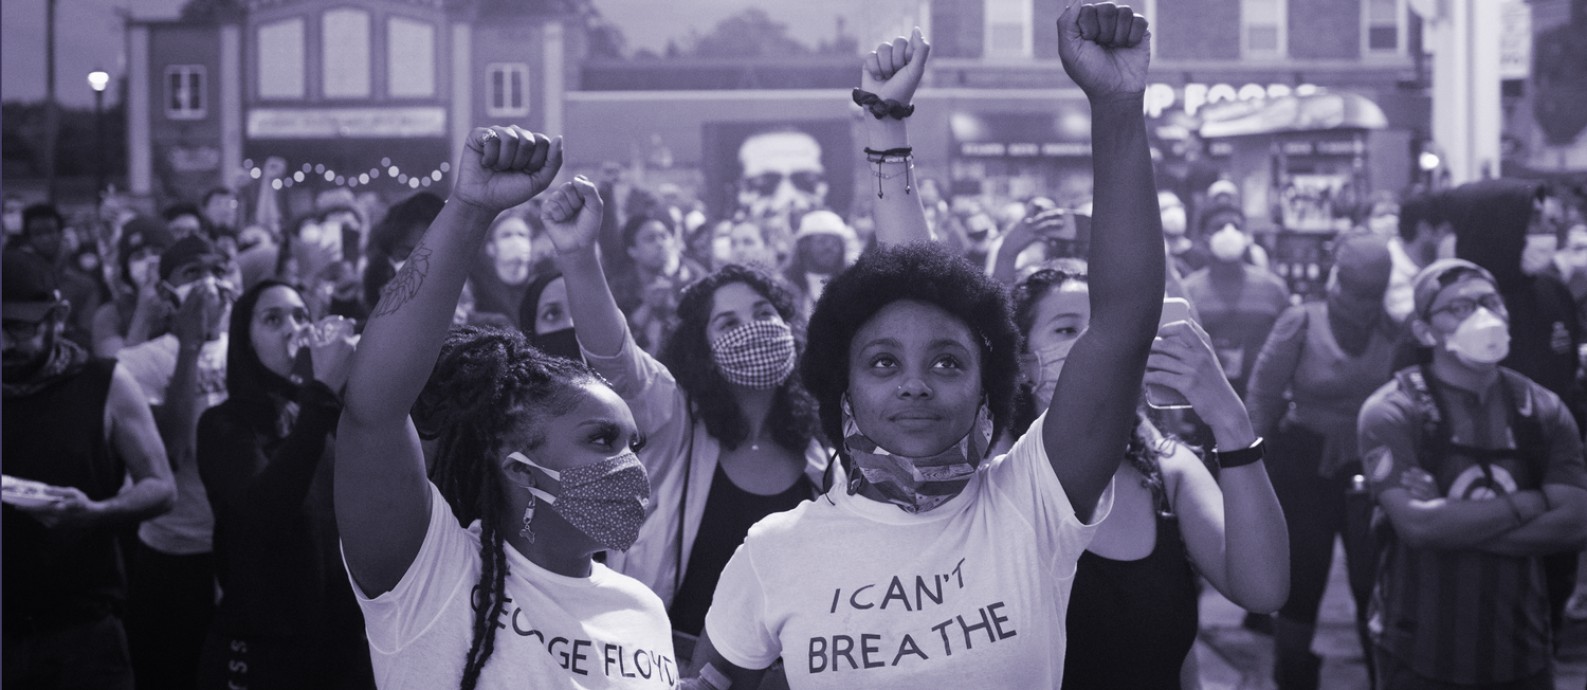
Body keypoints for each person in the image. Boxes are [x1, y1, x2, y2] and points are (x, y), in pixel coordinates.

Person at [687, 9, 1163, 687]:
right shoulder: (774, 553)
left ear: (986, 388)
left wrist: (1117, 105)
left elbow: (1122, 324)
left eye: (948, 362)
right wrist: (885, 125)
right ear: (841, 386)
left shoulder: (1030, 505)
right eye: (882, 363)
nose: (915, 384)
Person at [336, 126, 675, 689]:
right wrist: (469, 210)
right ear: (516, 463)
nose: (630, 466)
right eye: (601, 439)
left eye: (632, 445)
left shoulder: (641, 610)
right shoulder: (430, 576)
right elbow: (374, 408)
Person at [552, 182, 828, 650]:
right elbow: (615, 358)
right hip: (672, 660)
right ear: (703, 349)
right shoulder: (677, 417)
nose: (754, 329)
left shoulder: (822, 441)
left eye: (765, 313)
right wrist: (579, 256)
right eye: (729, 323)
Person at [1006, 266, 1288, 689]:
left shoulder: (1168, 471)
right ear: (1025, 364)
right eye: (1068, 329)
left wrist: (1230, 419)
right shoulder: (993, 476)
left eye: (1107, 328)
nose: (1096, 346)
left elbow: (1264, 591)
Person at [1358, 259, 1587, 689]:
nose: (1481, 316)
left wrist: (1454, 521)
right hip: (1419, 652)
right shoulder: (1394, 410)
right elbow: (1418, 527)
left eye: (1488, 302)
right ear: (1426, 332)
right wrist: (1528, 502)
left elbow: (1576, 524)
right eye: (1457, 308)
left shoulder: (1542, 410)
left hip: (1523, 651)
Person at [2, 249, 176, 690]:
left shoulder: (103, 382)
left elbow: (160, 486)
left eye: (18, 328)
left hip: (83, 631)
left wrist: (96, 512)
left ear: (58, 316)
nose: (3, 344)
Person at [195, 280, 372, 689]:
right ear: (246, 341)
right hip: (264, 649)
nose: (294, 329)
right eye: (273, 319)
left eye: (301, 316)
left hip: (343, 646)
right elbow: (268, 510)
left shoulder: (333, 415)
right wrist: (322, 392)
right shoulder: (224, 425)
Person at [1244, 232, 1399, 690]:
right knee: (1301, 582)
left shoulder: (1394, 332)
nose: (1361, 301)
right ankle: (1293, 677)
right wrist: (1248, 469)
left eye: (1371, 292)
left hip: (1372, 468)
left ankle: (1384, 674)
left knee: (1374, 581)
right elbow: (1263, 397)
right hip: (1304, 465)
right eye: (1356, 288)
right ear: (1338, 280)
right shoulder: (1301, 323)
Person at [116, 234, 235, 690]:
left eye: (218, 271)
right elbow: (168, 454)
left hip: (240, 549)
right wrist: (188, 346)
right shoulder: (136, 364)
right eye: (192, 274)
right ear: (167, 294)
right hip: (175, 552)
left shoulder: (250, 350)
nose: (209, 284)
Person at [1182, 214, 1290, 397]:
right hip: (1203, 398)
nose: (1229, 232)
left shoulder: (1273, 290)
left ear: (1246, 237)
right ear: (1205, 238)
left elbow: (1287, 349)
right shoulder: (1189, 291)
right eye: (1219, 227)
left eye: (1236, 227)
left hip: (1260, 396)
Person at [91, 217, 176, 357]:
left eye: (157, 252)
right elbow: (116, 371)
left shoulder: (189, 301)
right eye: (139, 256)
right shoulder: (110, 315)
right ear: (126, 268)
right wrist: (143, 314)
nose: (150, 262)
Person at [21, 203, 102, 347]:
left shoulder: (84, 285)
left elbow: (86, 335)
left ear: (61, 233)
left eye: (50, 231)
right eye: (38, 234)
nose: (45, 239)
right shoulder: (19, 283)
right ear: (28, 239)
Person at [1384, 191, 1452, 324]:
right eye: (1446, 231)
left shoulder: (1431, 262)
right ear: (1425, 229)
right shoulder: (1390, 270)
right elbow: (1423, 324)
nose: (1450, 240)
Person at [783, 210, 857, 321]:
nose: (829, 248)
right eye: (822, 241)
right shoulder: (784, 284)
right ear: (804, 245)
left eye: (835, 242)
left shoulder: (852, 285)